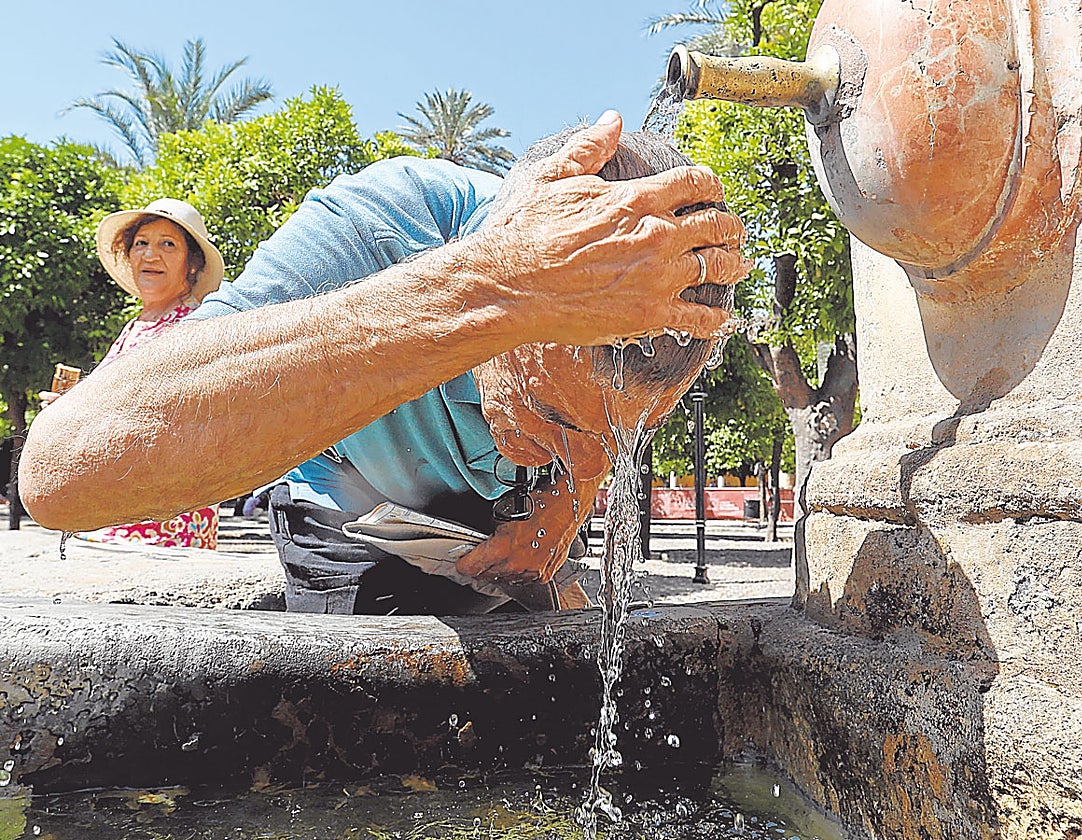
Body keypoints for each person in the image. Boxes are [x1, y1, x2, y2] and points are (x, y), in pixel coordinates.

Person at [19, 112, 747, 611]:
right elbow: (61, 477)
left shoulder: (636, 307)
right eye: (550, 417)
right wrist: (492, 289)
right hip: (350, 511)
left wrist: (564, 507)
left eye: (618, 435)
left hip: (503, 529)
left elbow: (593, 428)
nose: (576, 455)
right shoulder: (392, 221)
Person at [36, 199, 226, 549]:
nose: (150, 255)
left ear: (193, 264)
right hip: (122, 508)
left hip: (161, 519)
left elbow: (158, 414)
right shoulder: (138, 325)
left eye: (168, 244)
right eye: (141, 243)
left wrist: (77, 413)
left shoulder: (192, 325)